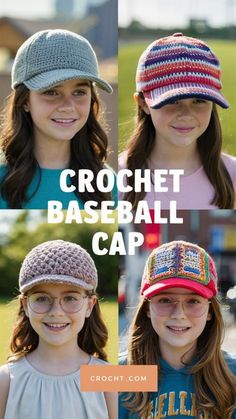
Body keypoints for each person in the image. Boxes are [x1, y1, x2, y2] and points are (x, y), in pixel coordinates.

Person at [0, 240, 117, 419]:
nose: (56, 312)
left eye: (70, 298)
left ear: (89, 306)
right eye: (42, 298)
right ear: (25, 305)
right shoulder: (6, 380)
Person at [0, 29, 116, 209]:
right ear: (25, 102)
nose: (68, 106)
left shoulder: (108, 181)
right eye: (51, 92)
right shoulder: (3, 177)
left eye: (79, 92)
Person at [119, 240, 236, 418]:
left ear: (210, 311)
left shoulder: (232, 373)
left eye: (193, 301)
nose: (179, 314)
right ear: (147, 309)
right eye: (165, 300)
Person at [119, 33, 236, 209]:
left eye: (199, 101)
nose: (186, 114)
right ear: (143, 103)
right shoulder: (115, 177)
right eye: (172, 101)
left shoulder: (232, 173)